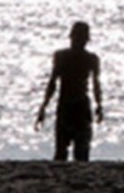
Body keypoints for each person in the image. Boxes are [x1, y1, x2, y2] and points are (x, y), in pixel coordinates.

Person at [35, 21, 103, 162]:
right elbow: (53, 81)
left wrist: (99, 105)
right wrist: (44, 106)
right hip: (69, 105)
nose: (80, 41)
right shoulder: (64, 57)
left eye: (81, 38)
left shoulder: (89, 59)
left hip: (77, 105)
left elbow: (96, 84)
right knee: (64, 149)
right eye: (79, 37)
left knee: (78, 150)